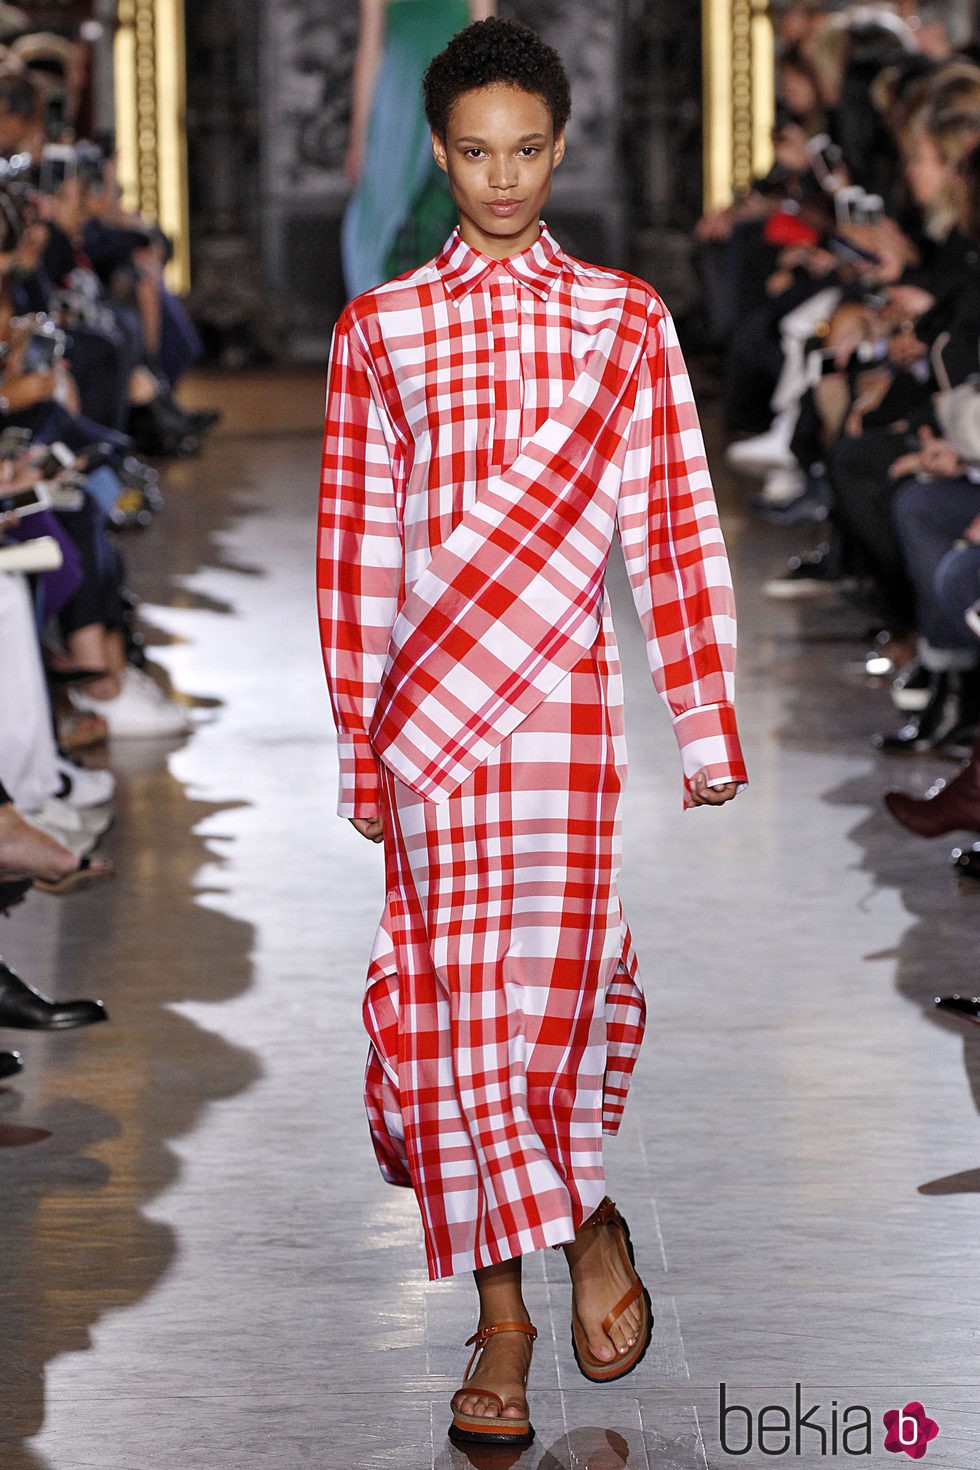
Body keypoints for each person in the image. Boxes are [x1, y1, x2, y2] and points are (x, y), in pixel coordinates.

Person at [317, 18, 746, 1449]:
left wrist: (702, 716)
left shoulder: (626, 322)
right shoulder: (379, 331)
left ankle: (589, 1211)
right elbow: (355, 556)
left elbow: (675, 528)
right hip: (431, 726)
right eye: (473, 152)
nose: (501, 177)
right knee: (451, 1020)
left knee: (549, 1007)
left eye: (526, 151)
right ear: (439, 156)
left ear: (560, 149)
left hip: (562, 717)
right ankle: (503, 1316)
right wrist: (352, 738)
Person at [341, 0, 495, 299]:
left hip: (456, 103)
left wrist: (489, 121)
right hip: (397, 113)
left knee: (461, 212)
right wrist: (359, 136)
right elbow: (370, 52)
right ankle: (380, 327)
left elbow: (487, 43)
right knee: (379, 220)